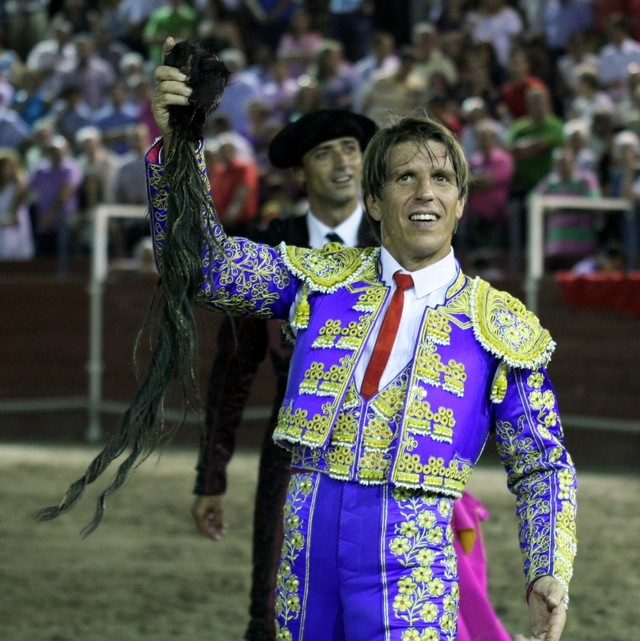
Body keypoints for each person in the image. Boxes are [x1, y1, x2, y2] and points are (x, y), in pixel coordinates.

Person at [148, 40, 577, 641]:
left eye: (441, 179)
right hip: (307, 543)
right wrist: (180, 145)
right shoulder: (318, 279)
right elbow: (197, 264)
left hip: (412, 559)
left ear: (459, 203)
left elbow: (542, 464)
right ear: (375, 201)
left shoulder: (498, 325)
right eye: (406, 177)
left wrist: (548, 571)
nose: (425, 191)